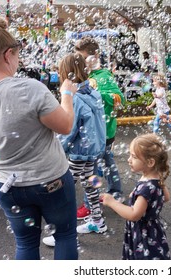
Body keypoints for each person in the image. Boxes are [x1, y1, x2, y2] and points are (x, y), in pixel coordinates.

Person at [0, 13, 78, 260]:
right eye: (17, 54)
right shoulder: (29, 88)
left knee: (25, 244)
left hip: (8, 185)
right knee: (65, 236)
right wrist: (67, 94)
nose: (18, 60)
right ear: (7, 55)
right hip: (50, 180)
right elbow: (65, 126)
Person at [42, 54, 107, 247]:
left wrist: (56, 149)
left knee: (63, 193)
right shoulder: (92, 91)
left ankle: (62, 233)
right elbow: (99, 123)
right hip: (92, 151)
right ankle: (97, 221)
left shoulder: (75, 98)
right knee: (90, 185)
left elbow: (68, 129)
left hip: (78, 153)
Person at [74, 37, 126, 216]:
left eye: (82, 58)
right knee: (107, 160)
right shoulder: (87, 76)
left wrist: (95, 93)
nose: (79, 62)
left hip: (102, 130)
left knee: (92, 168)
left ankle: (90, 206)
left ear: (94, 56)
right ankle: (116, 191)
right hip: (96, 130)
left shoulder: (103, 76)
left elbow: (119, 98)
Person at [101, 133, 171, 260]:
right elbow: (165, 197)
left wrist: (112, 202)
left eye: (133, 156)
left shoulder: (146, 188)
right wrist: (140, 198)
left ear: (150, 162)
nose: (129, 159)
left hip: (144, 235)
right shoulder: (156, 178)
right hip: (154, 230)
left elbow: (134, 214)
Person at [146, 73, 171, 139]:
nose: (153, 82)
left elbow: (160, 95)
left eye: (155, 81)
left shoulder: (162, 89)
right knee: (165, 122)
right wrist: (150, 106)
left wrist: (156, 96)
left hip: (164, 110)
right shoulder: (157, 89)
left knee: (159, 122)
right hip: (160, 110)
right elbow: (155, 100)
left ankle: (155, 134)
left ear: (160, 82)